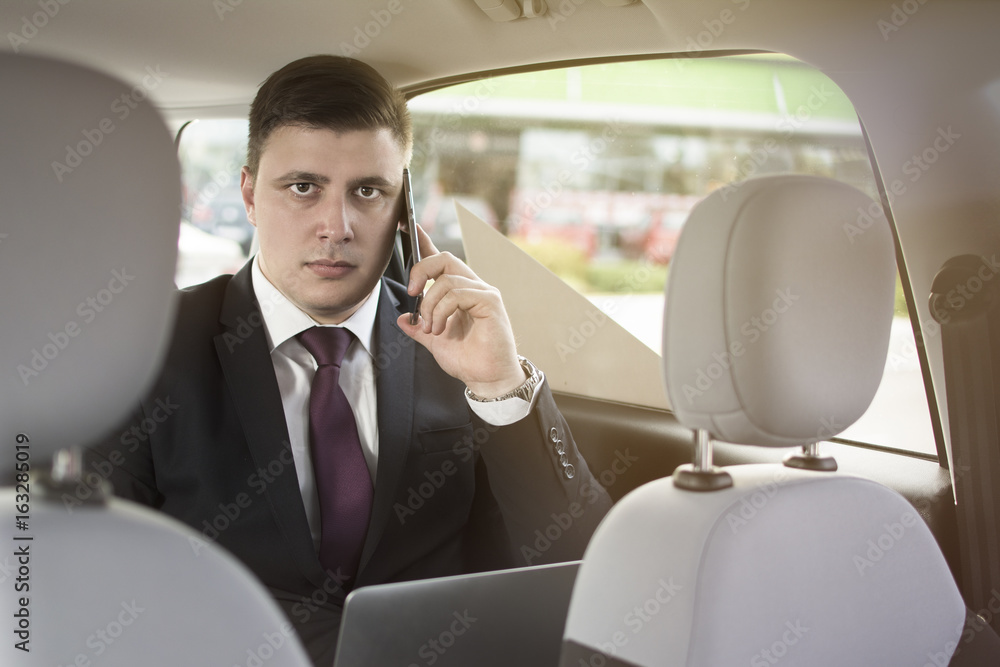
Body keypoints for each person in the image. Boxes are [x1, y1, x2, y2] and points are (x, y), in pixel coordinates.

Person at [85, 55, 612, 666]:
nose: (336, 227)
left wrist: (501, 385)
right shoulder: (147, 349)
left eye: (369, 191)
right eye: (303, 187)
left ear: (405, 211)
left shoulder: (455, 344)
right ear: (250, 194)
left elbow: (578, 566)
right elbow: (95, 582)